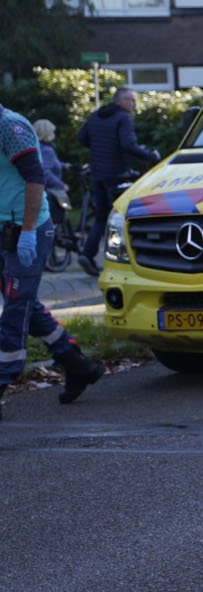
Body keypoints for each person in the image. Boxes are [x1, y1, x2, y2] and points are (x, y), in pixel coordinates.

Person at [0, 103, 105, 417]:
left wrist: (29, 230)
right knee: (25, 303)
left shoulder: (11, 127)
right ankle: (77, 364)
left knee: (16, 305)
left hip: (25, 227)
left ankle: (2, 379)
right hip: (4, 226)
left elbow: (35, 179)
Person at [76, 87, 160, 275]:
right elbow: (128, 145)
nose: (133, 104)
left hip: (98, 173)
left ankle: (87, 253)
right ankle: (125, 259)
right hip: (117, 174)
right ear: (120, 101)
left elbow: (81, 138)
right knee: (123, 216)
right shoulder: (123, 118)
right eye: (130, 100)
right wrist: (150, 156)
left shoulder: (96, 116)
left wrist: (99, 148)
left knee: (101, 216)